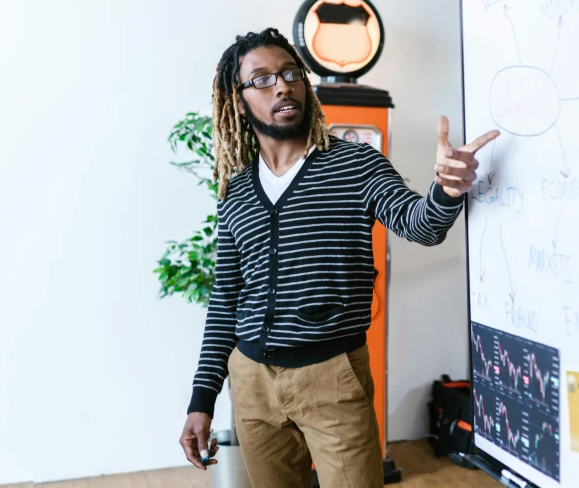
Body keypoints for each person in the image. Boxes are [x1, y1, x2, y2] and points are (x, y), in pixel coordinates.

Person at [178, 27, 499, 488]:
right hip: (250, 384)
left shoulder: (355, 164)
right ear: (238, 99)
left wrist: (446, 192)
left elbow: (420, 224)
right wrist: (201, 399)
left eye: (291, 73)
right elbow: (225, 300)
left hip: (331, 378)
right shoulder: (237, 192)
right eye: (263, 79)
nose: (283, 85)